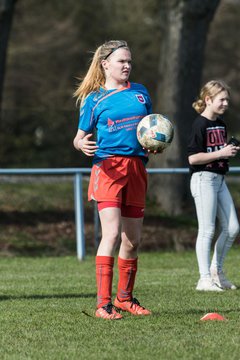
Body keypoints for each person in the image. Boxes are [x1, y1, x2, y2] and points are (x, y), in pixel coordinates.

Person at [73, 40, 152, 319]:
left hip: (136, 168)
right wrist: (81, 145)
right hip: (108, 169)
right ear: (106, 64)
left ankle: (124, 299)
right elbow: (79, 138)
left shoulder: (141, 93)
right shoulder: (94, 99)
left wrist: (153, 144)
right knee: (112, 234)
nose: (127, 66)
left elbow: (148, 130)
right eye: (121, 61)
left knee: (133, 240)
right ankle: (103, 304)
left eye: (129, 61)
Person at [188, 79, 240, 292]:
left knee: (233, 227)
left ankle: (216, 271)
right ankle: (203, 279)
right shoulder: (199, 124)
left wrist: (229, 150)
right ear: (208, 100)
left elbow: (218, 152)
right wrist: (221, 153)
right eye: (221, 99)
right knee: (207, 229)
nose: (225, 103)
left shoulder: (220, 123)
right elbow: (192, 158)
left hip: (219, 179)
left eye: (227, 99)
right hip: (203, 179)